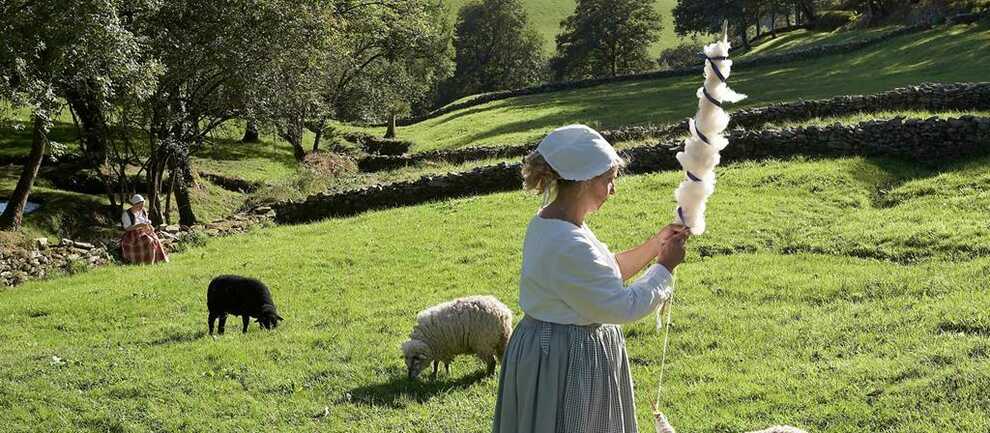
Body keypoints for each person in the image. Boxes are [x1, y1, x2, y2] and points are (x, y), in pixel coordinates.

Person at [492, 124, 689, 433]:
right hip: (564, 357)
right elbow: (620, 306)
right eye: (609, 181)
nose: (614, 190)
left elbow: (604, 273)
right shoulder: (566, 241)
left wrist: (656, 245)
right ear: (584, 182)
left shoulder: (556, 223)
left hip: (558, 348)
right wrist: (664, 269)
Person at [119, 194, 169, 264]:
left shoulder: (143, 211)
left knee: (155, 239)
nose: (141, 207)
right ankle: (149, 262)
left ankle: (157, 260)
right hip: (132, 235)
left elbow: (146, 221)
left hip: (144, 231)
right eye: (140, 205)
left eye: (142, 205)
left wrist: (150, 226)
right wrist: (139, 225)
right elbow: (127, 228)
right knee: (149, 240)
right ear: (134, 204)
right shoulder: (127, 214)